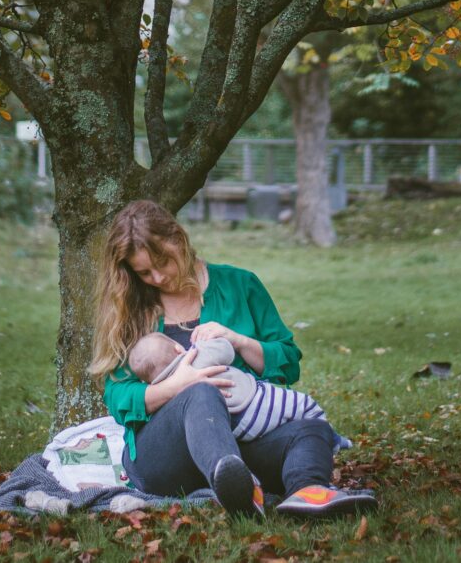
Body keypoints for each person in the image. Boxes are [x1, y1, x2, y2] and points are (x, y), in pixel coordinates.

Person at [91, 199, 375, 520]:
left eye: (163, 262)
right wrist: (178, 386)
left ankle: (305, 492)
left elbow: (287, 362)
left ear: (179, 239)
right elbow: (117, 396)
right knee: (200, 391)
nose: (157, 277)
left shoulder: (241, 284)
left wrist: (237, 340)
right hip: (166, 457)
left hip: (245, 444)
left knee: (312, 428)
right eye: (144, 272)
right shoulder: (133, 307)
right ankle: (234, 485)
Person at [127, 331, 328, 440]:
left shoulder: (160, 391)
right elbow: (225, 351)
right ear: (178, 348)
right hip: (255, 403)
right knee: (304, 406)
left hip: (235, 431)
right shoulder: (195, 356)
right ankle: (328, 435)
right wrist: (208, 342)